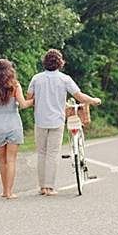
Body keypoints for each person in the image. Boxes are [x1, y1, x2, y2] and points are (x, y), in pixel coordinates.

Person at [27, 49, 101, 196]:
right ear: (60, 63)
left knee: (41, 153)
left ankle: (42, 187)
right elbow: (79, 96)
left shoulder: (36, 78)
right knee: (53, 154)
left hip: (40, 120)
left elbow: (29, 97)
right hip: (57, 120)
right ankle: (50, 187)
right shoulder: (65, 79)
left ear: (45, 62)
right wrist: (94, 100)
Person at [0, 59, 33, 199]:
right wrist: (33, 100)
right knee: (11, 159)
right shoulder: (15, 86)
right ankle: (10, 192)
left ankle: (4, 190)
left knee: (2, 160)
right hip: (13, 123)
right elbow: (23, 104)